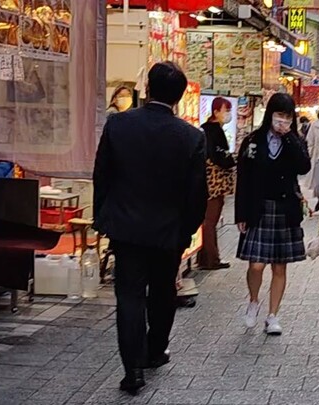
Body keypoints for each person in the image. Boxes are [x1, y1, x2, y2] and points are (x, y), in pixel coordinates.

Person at [93, 62, 208, 395]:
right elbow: (196, 193)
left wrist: (105, 217)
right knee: (162, 292)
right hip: (168, 231)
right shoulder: (191, 137)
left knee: (129, 297)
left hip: (126, 228)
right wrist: (187, 229)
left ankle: (133, 371)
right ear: (180, 96)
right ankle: (155, 351)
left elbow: (102, 175)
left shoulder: (118, 125)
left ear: (148, 87)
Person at [235, 93, 311, 336]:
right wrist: (241, 213)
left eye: (287, 116)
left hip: (285, 209)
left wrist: (288, 137)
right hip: (259, 207)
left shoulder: (296, 141)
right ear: (270, 114)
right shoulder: (253, 141)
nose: (282, 120)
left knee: (280, 266)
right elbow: (243, 178)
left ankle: (273, 315)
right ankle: (253, 301)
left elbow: (303, 167)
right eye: (279, 114)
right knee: (256, 264)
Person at [199, 97, 236, 271]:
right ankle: (211, 259)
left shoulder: (207, 129)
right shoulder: (213, 131)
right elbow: (219, 156)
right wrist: (231, 162)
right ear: (215, 112)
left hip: (210, 182)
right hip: (214, 182)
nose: (228, 114)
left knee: (209, 220)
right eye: (225, 110)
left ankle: (206, 257)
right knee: (210, 220)